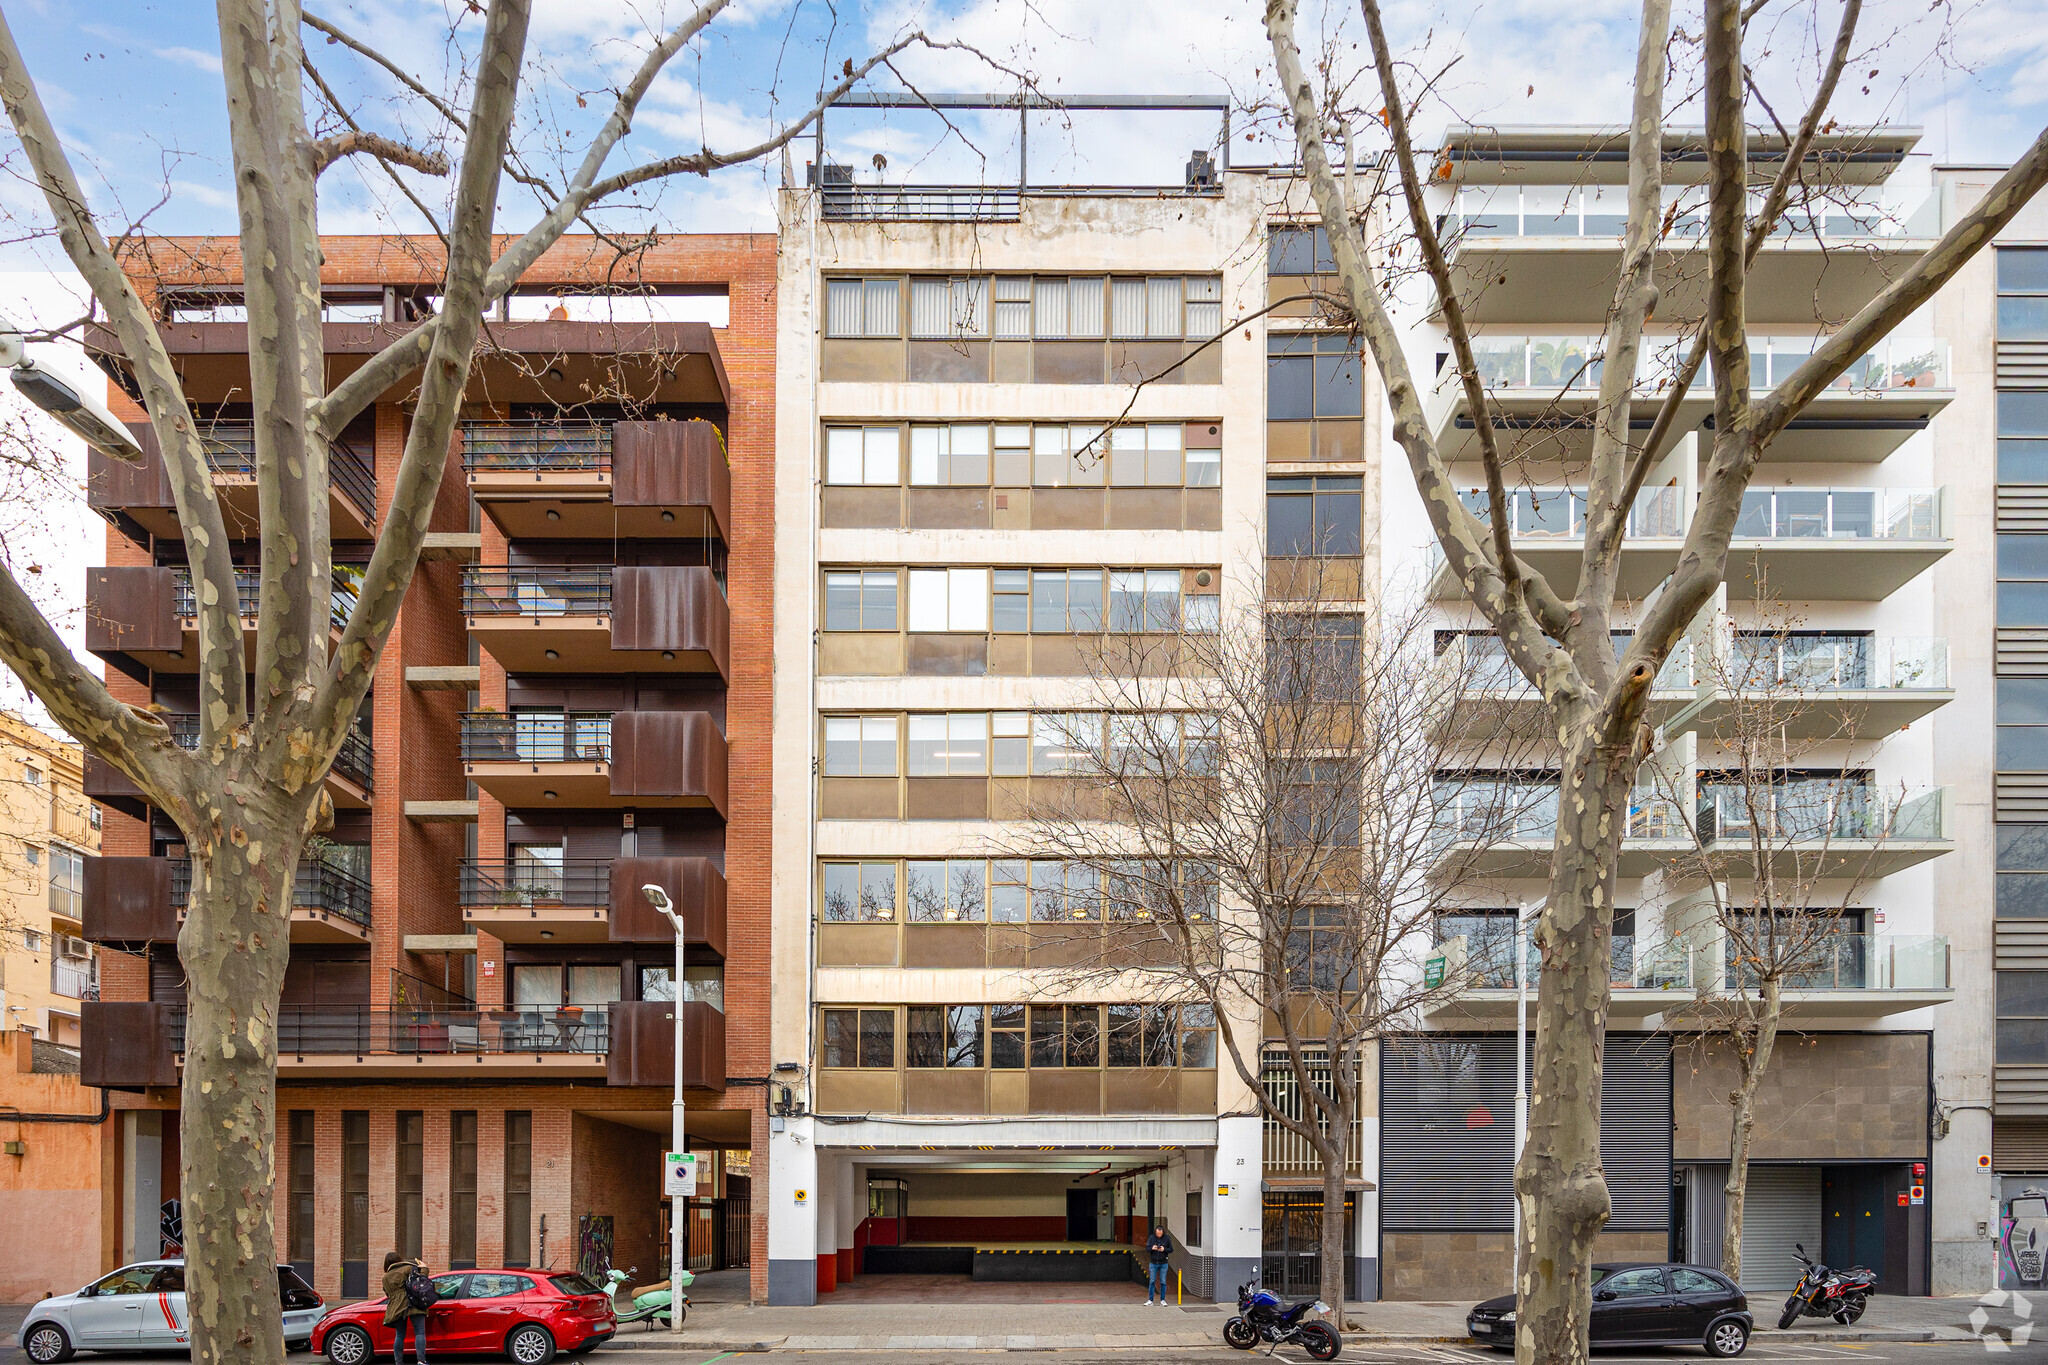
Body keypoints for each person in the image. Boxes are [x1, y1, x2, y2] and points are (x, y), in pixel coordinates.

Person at [382, 1251, 430, 1365]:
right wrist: (424, 1268)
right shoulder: (409, 1268)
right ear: (399, 1259)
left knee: (399, 1335)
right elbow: (422, 1282)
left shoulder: (385, 1277)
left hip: (396, 1308)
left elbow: (388, 1294)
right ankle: (421, 1361)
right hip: (414, 1303)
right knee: (419, 1332)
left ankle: (398, 1362)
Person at [1144, 1224, 1173, 1306]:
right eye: (1157, 1234)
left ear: (1162, 1232)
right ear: (1155, 1232)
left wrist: (1164, 1249)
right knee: (1152, 1281)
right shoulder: (1152, 1237)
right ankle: (1150, 1300)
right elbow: (1147, 1248)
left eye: (1160, 1234)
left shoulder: (1167, 1238)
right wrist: (1152, 1248)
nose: (1158, 1235)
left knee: (1163, 1282)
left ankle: (1163, 1300)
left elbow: (1171, 1249)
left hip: (1163, 1263)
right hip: (1153, 1262)